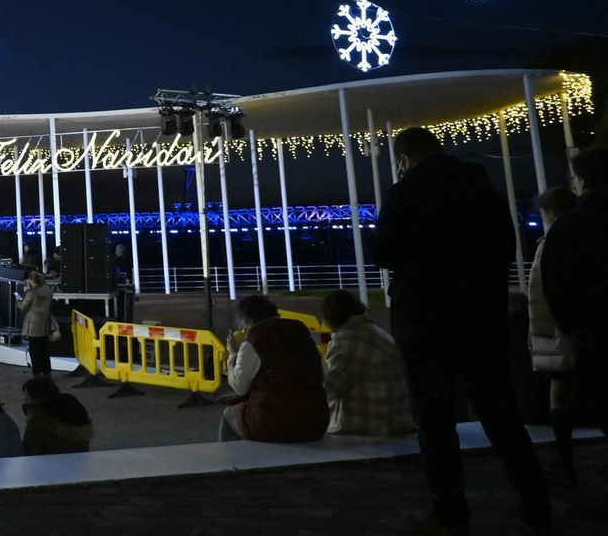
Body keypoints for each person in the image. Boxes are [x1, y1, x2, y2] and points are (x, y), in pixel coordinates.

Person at [376, 126, 549, 534]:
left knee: (435, 423)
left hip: (424, 322)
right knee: (501, 415)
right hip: (480, 318)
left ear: (405, 158)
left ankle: (450, 513)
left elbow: (382, 250)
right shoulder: (480, 189)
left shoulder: (406, 192)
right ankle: (536, 501)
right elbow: (505, 247)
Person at [542, 146, 608, 532]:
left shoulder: (572, 228)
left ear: (584, 180)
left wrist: (577, 329)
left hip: (601, 343)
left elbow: (556, 289)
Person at [220, 294, 327, 443]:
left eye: (245, 325)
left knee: (229, 414)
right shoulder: (301, 334)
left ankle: (232, 463)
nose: (244, 330)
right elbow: (320, 374)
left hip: (270, 424)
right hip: (315, 421)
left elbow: (240, 387)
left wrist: (233, 354)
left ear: (250, 321)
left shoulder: (254, 342)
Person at [527, 186, 579, 485]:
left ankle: (565, 460)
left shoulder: (552, 244)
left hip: (561, 333)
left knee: (559, 395)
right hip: (574, 331)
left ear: (549, 212)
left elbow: (542, 295)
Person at [318, 289, 414, 437]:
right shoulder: (378, 333)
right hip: (395, 419)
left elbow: (331, 389)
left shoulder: (347, 341)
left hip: (364, 424)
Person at [21, 375, 93, 454]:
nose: (24, 402)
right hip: (80, 462)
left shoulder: (37, 423)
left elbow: (29, 452)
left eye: (26, 398)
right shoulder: (76, 412)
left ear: (37, 400)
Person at [17, 270, 54, 378]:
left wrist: (17, 300)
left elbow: (23, 306)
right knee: (44, 349)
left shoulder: (32, 292)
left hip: (33, 326)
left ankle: (37, 372)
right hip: (44, 323)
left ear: (32, 280)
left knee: (34, 350)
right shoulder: (47, 289)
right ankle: (47, 371)